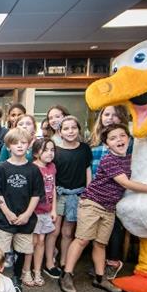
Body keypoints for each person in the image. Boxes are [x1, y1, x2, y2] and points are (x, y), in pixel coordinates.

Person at [59, 124, 147, 292]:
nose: (119, 140)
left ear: (128, 139)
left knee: (101, 244)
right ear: (107, 144)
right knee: (82, 240)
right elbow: (126, 183)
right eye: (113, 138)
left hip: (109, 208)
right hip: (92, 203)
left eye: (122, 136)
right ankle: (67, 274)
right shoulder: (109, 159)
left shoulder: (129, 159)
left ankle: (100, 278)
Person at [0, 127, 45, 292]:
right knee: (1, 250)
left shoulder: (34, 169)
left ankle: (16, 276)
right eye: (15, 143)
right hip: (4, 219)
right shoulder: (2, 168)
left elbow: (37, 194)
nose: (20, 146)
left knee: (22, 250)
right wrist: (7, 212)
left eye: (23, 143)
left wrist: (27, 214)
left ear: (28, 145)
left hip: (26, 219)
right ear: (8, 147)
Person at [89, 105, 133, 279]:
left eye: (114, 115)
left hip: (118, 189)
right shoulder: (95, 141)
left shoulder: (125, 141)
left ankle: (113, 261)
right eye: (106, 114)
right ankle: (100, 262)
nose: (109, 118)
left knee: (115, 225)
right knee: (98, 228)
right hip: (97, 188)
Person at [55, 116, 92, 272]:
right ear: (60, 132)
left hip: (77, 195)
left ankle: (64, 261)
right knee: (54, 230)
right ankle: (50, 260)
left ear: (78, 130)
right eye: (66, 128)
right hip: (59, 195)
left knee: (68, 231)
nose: (70, 131)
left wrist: (88, 193)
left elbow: (87, 170)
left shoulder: (84, 149)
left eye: (73, 128)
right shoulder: (55, 151)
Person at [31, 139, 60, 284]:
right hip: (34, 211)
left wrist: (53, 209)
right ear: (36, 153)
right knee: (33, 241)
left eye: (52, 150)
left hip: (46, 210)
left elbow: (53, 188)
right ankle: (27, 270)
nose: (50, 153)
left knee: (41, 240)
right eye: (45, 150)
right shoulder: (32, 168)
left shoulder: (52, 167)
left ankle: (37, 271)